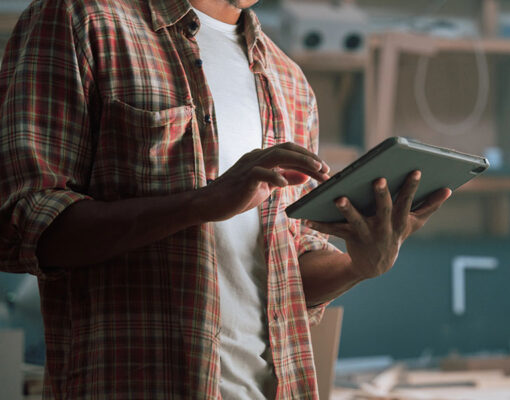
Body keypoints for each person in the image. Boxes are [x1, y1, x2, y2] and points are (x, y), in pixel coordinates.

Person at [0, 0, 451, 398]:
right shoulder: (82, 20)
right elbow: (24, 225)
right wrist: (202, 204)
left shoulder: (288, 80)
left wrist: (359, 266)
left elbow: (282, 274)